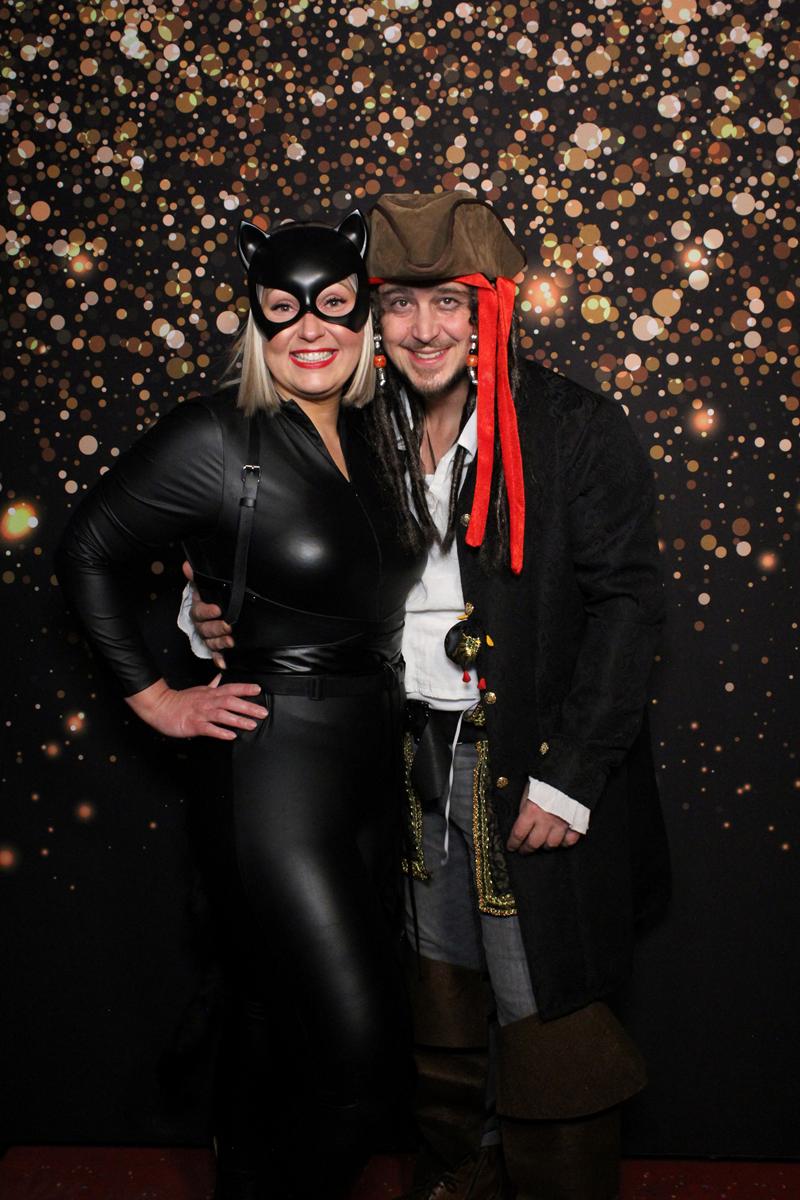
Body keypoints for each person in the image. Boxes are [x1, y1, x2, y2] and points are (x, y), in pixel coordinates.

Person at [187, 191, 670, 1200]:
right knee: (435, 993)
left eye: (448, 301)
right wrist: (210, 619)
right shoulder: (354, 427)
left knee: (542, 1006)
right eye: (398, 303)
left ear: (492, 308)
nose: (421, 329)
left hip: (525, 759)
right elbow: (279, 557)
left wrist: (572, 776)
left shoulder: (575, 429)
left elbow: (627, 610)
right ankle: (458, 1180)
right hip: (397, 758)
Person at [57, 211, 425, 1200]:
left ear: (363, 316)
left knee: (273, 1031)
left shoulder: (375, 430)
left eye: (334, 306)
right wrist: (155, 698)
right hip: (273, 775)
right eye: (282, 310)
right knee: (358, 1063)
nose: (311, 329)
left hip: (368, 766)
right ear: (256, 322)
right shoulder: (216, 435)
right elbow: (86, 549)